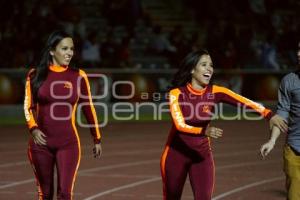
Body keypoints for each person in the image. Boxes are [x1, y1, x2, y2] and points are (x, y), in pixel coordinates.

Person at [160, 49, 287, 200]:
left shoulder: (216, 92)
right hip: (176, 155)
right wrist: (204, 131)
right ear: (192, 69)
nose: (209, 69)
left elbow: (244, 102)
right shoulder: (176, 93)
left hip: (202, 157)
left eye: (211, 65)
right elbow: (180, 125)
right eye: (204, 64)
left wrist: (268, 114)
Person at [24, 30, 102, 200]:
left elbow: (88, 108)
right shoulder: (34, 75)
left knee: (65, 194)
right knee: (45, 194)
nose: (69, 53)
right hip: (40, 145)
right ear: (52, 51)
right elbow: (28, 107)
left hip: (68, 144)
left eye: (72, 49)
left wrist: (96, 137)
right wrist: (34, 129)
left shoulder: (78, 76)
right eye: (65, 49)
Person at [260, 41, 300, 200]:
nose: (298, 54)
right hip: (294, 148)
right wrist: (272, 140)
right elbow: (282, 113)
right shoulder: (289, 80)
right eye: (298, 49)